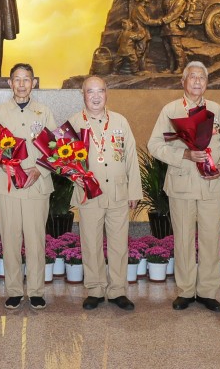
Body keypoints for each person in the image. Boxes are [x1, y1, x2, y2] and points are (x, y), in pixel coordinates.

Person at [148, 61, 220, 312]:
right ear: (183, 82)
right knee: (183, 239)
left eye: (202, 78)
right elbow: (154, 145)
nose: (197, 81)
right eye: (192, 77)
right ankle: (185, 290)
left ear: (207, 83)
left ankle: (207, 291)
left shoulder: (216, 110)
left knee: (210, 239)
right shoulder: (171, 110)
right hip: (182, 184)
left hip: (211, 185)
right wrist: (184, 155)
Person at [68, 76, 142, 311]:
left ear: (106, 93)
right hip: (89, 194)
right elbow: (64, 162)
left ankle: (118, 290)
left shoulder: (120, 121)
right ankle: (95, 289)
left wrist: (134, 191)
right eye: (90, 91)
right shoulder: (73, 124)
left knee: (119, 244)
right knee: (90, 243)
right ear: (83, 95)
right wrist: (76, 177)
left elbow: (131, 157)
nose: (96, 96)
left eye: (100, 91)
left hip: (118, 193)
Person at [0, 63, 56, 310]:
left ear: (34, 83)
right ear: (10, 83)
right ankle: (14, 291)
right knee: (10, 239)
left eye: (26, 79)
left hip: (37, 185)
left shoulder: (44, 112)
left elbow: (55, 149)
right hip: (7, 185)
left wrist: (39, 170)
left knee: (36, 240)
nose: (21, 84)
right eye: (17, 79)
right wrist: (3, 166)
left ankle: (36, 291)